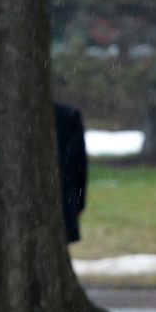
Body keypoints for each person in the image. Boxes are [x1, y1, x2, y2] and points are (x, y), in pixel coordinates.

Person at [54, 102, 88, 243]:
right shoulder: (68, 116)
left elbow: (79, 163)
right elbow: (80, 164)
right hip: (64, 196)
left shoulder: (68, 116)